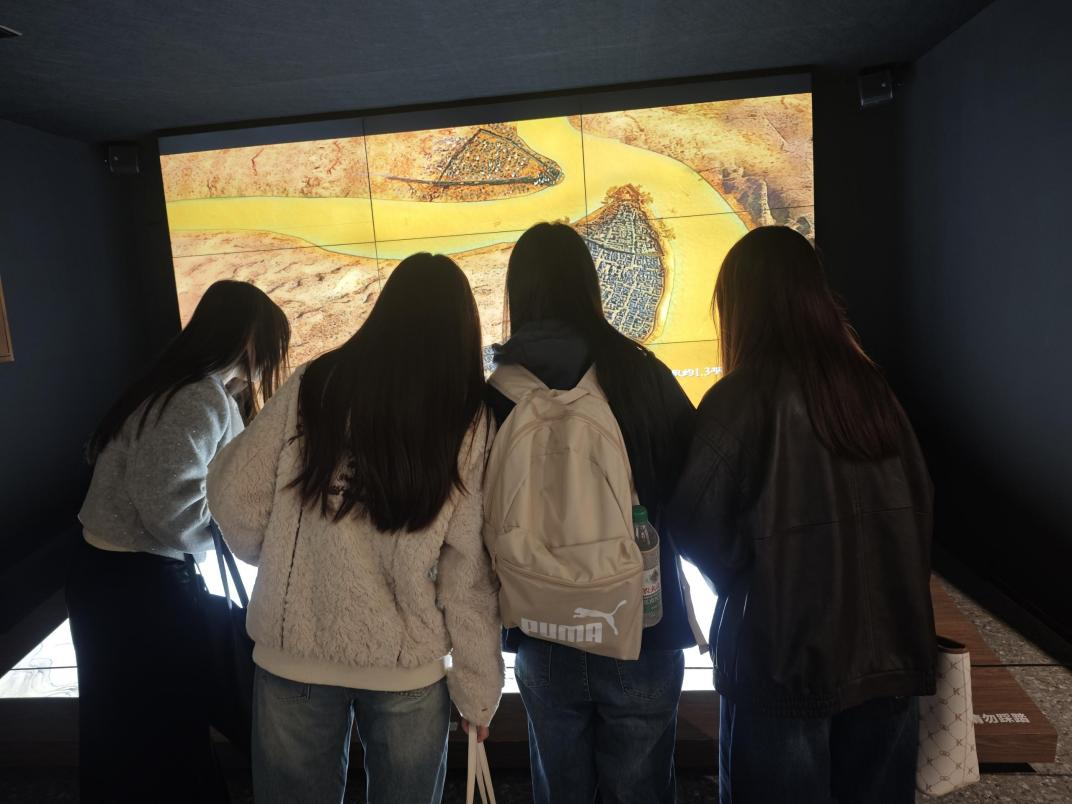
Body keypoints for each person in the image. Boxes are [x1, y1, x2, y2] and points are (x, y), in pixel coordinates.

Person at [206, 253, 504, 804]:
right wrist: (477, 691)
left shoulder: (314, 384)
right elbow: (468, 572)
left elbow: (230, 492)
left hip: (293, 653)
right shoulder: (466, 417)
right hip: (407, 667)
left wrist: (276, 560)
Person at [667, 226, 936, 804]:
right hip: (890, 659)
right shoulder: (875, 390)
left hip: (780, 666)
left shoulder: (740, 398)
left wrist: (751, 576)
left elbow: (692, 522)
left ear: (741, 306)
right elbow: (918, 508)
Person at [486, 222, 698, 804]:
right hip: (641, 625)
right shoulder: (640, 374)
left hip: (540, 629)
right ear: (588, 283)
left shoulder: (497, 392)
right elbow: (693, 486)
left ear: (518, 292)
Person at [67, 280, 290, 804]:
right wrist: (239, 527)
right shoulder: (198, 396)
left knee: (123, 727)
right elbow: (171, 509)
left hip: (110, 581)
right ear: (248, 339)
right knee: (163, 730)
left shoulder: (174, 386)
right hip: (137, 589)